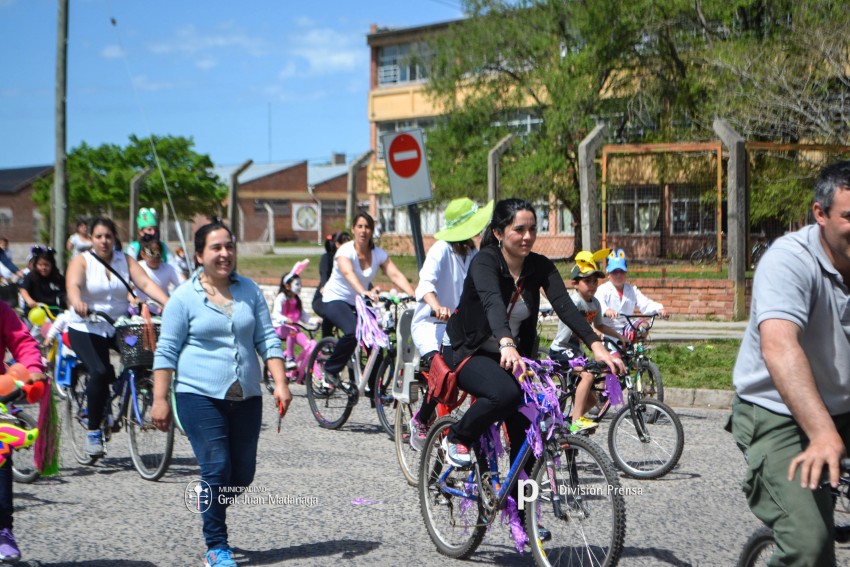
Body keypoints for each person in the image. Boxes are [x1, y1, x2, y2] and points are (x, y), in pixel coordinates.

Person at [443, 198, 624, 470]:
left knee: (529, 425)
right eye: (519, 230)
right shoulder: (485, 262)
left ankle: (518, 493)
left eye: (533, 229)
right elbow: (493, 303)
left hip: (512, 357)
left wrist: (597, 346)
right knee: (505, 394)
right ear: (498, 233)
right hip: (468, 349)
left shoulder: (539, 266)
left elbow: (566, 307)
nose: (527, 236)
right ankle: (458, 436)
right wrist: (506, 342)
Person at [730, 160, 850, 567]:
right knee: (809, 546)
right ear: (820, 214)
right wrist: (822, 432)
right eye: (849, 217)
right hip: (777, 412)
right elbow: (780, 347)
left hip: (843, 405)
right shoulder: (789, 261)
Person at [151, 220, 291, 567]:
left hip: (247, 395)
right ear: (199, 255)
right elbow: (166, 351)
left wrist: (281, 382)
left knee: (241, 475)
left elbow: (267, 338)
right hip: (198, 395)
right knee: (216, 467)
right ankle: (216, 545)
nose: (225, 253)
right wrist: (159, 399)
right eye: (216, 247)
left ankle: (209, 503)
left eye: (229, 246)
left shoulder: (250, 290)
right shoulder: (183, 298)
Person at [64, 217, 171, 457]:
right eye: (98, 236)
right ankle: (93, 431)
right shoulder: (82, 261)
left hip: (118, 326)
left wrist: (169, 303)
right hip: (86, 326)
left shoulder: (125, 260)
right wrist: (77, 302)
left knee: (143, 358)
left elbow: (145, 283)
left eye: (108, 236)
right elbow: (73, 286)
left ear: (114, 238)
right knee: (101, 371)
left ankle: (132, 391)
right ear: (91, 239)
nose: (104, 241)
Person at [407, 197, 493, 450]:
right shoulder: (440, 250)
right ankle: (421, 418)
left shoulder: (474, 253)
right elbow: (425, 284)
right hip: (431, 325)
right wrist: (437, 306)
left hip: (460, 328)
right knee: (444, 371)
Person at [320, 212, 415, 388]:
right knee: (352, 332)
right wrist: (364, 291)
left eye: (367, 227)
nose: (363, 231)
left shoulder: (377, 253)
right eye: (360, 226)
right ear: (353, 229)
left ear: (372, 230)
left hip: (359, 301)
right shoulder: (345, 251)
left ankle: (374, 390)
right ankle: (330, 370)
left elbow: (394, 274)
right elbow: (348, 273)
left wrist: (413, 293)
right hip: (336, 299)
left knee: (377, 342)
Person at [549, 250, 626, 433]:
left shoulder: (595, 303)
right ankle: (577, 421)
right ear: (575, 283)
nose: (592, 285)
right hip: (561, 349)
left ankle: (569, 422)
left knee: (592, 400)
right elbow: (580, 327)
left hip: (577, 351)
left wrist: (619, 336)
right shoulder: (573, 302)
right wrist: (593, 335)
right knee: (588, 375)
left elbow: (599, 325)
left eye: (595, 281)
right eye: (587, 281)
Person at [0, 301, 46, 563]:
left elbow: (23, 342)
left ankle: (3, 531)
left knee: (1, 460)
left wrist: (34, 368)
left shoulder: (2, 310)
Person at [595, 248, 668, 334]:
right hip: (608, 328)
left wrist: (659, 309)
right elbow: (599, 303)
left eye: (622, 272)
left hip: (626, 327)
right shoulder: (603, 289)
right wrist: (606, 310)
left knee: (644, 325)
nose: (619, 275)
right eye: (614, 272)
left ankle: (638, 342)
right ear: (608, 274)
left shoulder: (632, 290)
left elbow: (645, 303)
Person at [271, 260, 313, 371]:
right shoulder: (281, 297)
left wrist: (314, 321)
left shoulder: (297, 300)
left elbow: (304, 317)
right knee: (292, 331)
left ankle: (303, 370)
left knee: (309, 345)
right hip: (279, 328)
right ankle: (289, 358)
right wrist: (285, 319)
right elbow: (275, 314)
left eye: (300, 284)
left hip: (294, 329)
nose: (299, 287)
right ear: (287, 286)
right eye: (297, 284)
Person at [311, 231, 351, 337]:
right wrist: (324, 286)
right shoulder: (327, 257)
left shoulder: (350, 260)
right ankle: (326, 339)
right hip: (323, 298)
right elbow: (324, 273)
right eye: (346, 243)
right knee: (331, 312)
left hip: (340, 298)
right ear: (337, 244)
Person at [135, 236, 185, 310]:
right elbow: (127, 289)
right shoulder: (137, 267)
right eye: (152, 255)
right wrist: (134, 299)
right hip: (140, 310)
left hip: (161, 309)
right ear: (143, 254)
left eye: (158, 256)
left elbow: (183, 284)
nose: (155, 259)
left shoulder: (168, 268)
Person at [18, 246, 66, 316]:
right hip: (35, 311)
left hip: (54, 311)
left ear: (52, 265)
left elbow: (66, 292)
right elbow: (23, 290)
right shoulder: (31, 277)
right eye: (40, 265)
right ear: (35, 265)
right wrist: (29, 300)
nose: (43, 268)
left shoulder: (58, 278)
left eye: (46, 265)